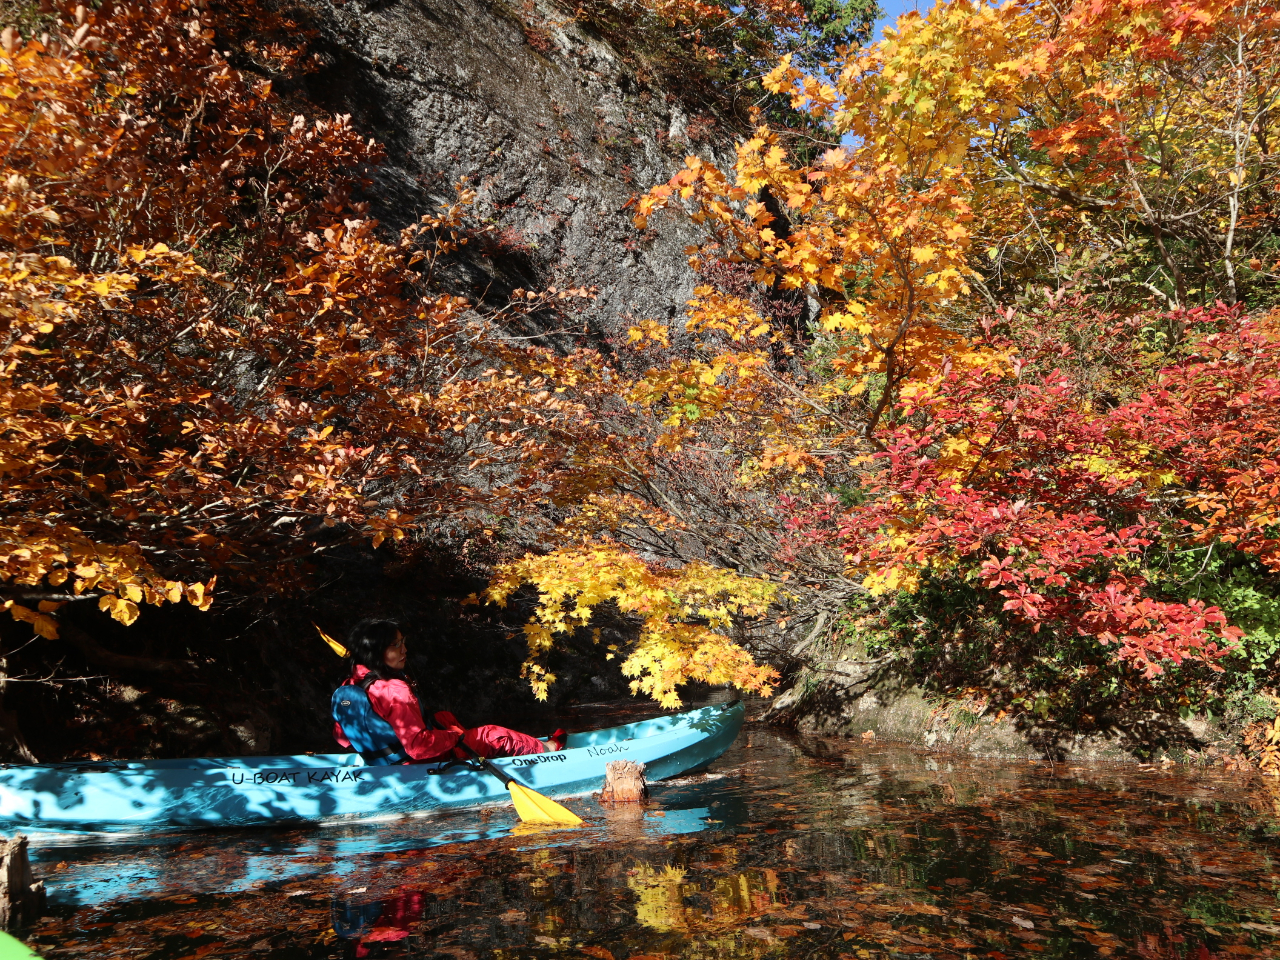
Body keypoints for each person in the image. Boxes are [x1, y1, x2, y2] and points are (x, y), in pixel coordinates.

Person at [331, 618, 565, 763]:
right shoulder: (395, 690)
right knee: (492, 735)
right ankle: (548, 749)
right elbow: (418, 747)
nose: (405, 649)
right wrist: (454, 738)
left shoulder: (349, 685)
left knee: (443, 718)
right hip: (417, 763)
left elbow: (342, 738)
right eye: (396, 644)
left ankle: (475, 749)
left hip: (385, 764)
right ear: (377, 652)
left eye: (403, 641)